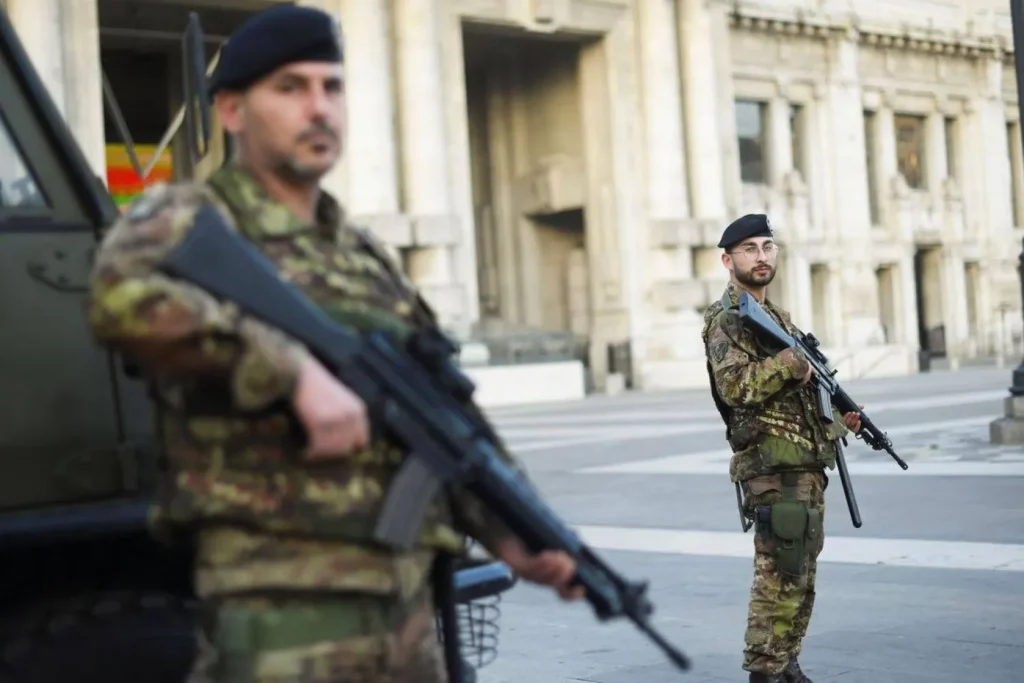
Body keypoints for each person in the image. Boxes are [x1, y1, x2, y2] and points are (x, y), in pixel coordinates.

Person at [86, 5, 581, 682]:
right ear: (231, 111)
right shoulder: (186, 221)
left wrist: (514, 528)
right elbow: (118, 299)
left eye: (331, 86)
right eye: (290, 88)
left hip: (407, 624)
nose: (318, 107)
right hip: (279, 620)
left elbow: (440, 419)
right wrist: (287, 370)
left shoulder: (365, 258)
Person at [700, 214, 863, 683]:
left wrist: (839, 419)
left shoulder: (777, 318)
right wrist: (792, 361)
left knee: (801, 577)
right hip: (771, 466)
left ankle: (787, 664)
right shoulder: (728, 320)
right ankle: (764, 672)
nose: (762, 256)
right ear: (728, 260)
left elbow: (800, 399)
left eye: (767, 246)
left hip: (803, 466)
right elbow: (736, 388)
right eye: (750, 248)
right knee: (777, 576)